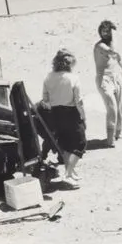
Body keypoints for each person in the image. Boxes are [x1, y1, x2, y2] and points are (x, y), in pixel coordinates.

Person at [40, 49, 87, 185]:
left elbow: (45, 100)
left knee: (66, 145)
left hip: (55, 114)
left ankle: (70, 172)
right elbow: (79, 101)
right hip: (71, 113)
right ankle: (68, 174)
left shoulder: (48, 77)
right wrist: (83, 117)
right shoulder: (73, 78)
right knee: (80, 144)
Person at [93, 20, 122, 147]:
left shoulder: (112, 44)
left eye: (108, 31)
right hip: (103, 80)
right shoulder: (100, 46)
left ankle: (117, 133)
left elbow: (118, 56)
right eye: (103, 31)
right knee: (112, 108)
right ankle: (110, 140)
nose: (105, 34)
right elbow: (113, 53)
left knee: (119, 109)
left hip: (114, 78)